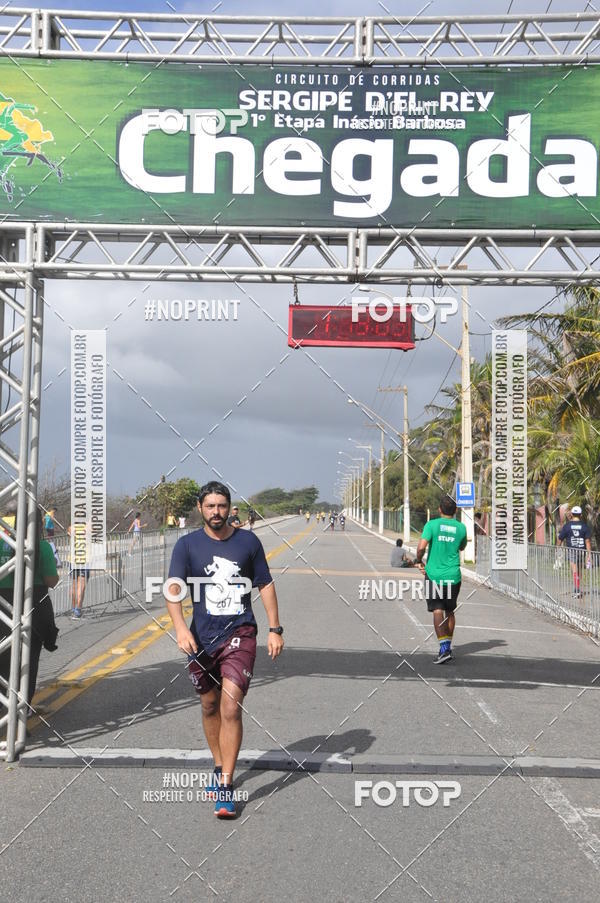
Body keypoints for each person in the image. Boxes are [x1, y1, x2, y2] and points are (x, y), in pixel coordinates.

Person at [166, 481, 284, 818]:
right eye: (210, 506)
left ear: (230, 507)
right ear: (200, 508)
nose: (216, 512)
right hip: (201, 637)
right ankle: (219, 765)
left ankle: (226, 786)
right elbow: (173, 588)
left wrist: (275, 629)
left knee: (230, 706)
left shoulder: (248, 542)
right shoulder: (187, 545)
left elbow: (265, 584)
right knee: (209, 705)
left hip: (239, 634)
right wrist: (179, 628)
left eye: (221, 506)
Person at [0, 506, 59, 705]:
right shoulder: (42, 547)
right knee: (28, 661)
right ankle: (21, 709)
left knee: (3, 658)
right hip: (34, 605)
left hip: (3, 606)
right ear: (38, 524)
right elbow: (51, 581)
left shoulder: (1, 543)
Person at [415, 496, 467, 664]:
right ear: (455, 510)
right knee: (450, 611)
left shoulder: (431, 525)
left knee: (438, 610)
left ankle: (444, 649)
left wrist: (418, 560)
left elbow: (421, 547)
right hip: (453, 576)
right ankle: (447, 647)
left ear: (439, 509)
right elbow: (462, 547)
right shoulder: (461, 527)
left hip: (434, 576)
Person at [558, 505, 592, 598]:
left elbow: (560, 539)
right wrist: (589, 554)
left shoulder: (567, 526)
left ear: (572, 514)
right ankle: (577, 588)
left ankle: (577, 590)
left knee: (574, 571)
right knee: (579, 571)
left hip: (572, 551)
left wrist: (557, 548)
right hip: (582, 551)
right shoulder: (584, 526)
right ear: (581, 515)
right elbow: (588, 541)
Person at [67, 524, 89, 619]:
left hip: (73, 558)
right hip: (84, 558)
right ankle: (78, 609)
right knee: (81, 584)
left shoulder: (71, 527)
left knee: (74, 584)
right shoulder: (88, 527)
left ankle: (73, 608)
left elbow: (69, 533)